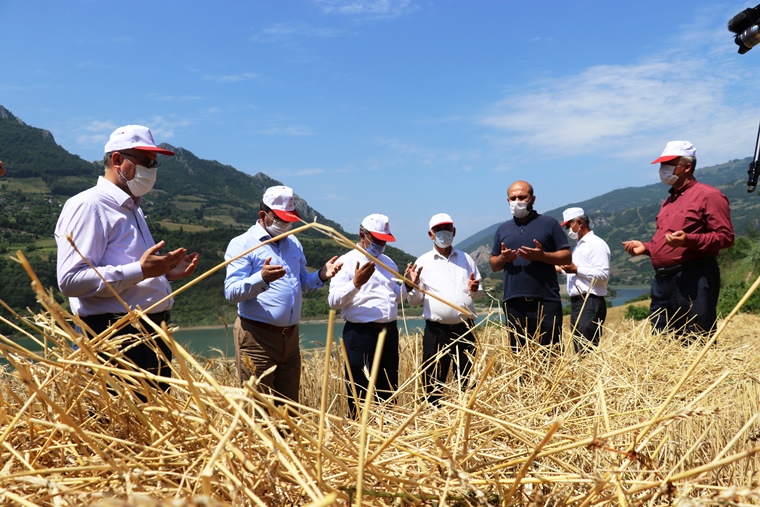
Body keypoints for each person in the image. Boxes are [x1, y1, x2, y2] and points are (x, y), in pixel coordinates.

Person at [55, 125, 199, 399]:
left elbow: (130, 274)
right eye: (146, 161)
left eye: (155, 163)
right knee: (117, 433)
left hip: (148, 336)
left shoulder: (132, 207)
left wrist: (163, 273)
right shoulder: (88, 206)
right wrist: (142, 270)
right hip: (114, 339)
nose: (152, 169)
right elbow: (71, 281)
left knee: (153, 431)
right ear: (118, 160)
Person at [224, 185, 342, 404]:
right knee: (258, 410)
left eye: (290, 219)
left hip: (290, 338)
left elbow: (302, 283)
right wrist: (261, 278)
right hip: (257, 337)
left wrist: (322, 275)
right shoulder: (242, 244)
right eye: (281, 219)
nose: (287, 224)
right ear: (264, 215)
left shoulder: (294, 243)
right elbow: (231, 292)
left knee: (289, 408)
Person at [623, 141, 734, 342]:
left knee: (696, 338)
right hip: (663, 281)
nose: (662, 169)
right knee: (662, 340)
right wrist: (647, 248)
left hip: (694, 276)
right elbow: (668, 241)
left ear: (687, 167)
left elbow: (725, 237)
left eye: (669, 164)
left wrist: (689, 240)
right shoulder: (668, 201)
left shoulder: (709, 195)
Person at [328, 213, 409, 417]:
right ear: (362, 235)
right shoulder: (346, 262)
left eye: (384, 240)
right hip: (360, 335)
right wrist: (356, 284)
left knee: (388, 393)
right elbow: (333, 301)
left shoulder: (389, 263)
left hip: (389, 334)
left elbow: (392, 299)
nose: (381, 244)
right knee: (359, 396)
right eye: (377, 240)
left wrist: (407, 285)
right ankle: (357, 438)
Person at [406, 213, 482, 405]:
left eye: (447, 229)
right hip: (436, 331)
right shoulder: (422, 262)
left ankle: (466, 416)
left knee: (467, 380)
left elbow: (477, 292)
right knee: (433, 381)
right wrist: (413, 285)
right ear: (430, 234)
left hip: (465, 329)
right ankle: (434, 415)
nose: (443, 233)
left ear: (454, 231)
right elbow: (414, 302)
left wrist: (475, 289)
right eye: (438, 230)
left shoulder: (466, 259)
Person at [489, 181, 572, 351]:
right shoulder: (502, 229)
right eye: (513, 198)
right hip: (514, 302)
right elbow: (493, 265)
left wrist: (542, 256)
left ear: (532, 199)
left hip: (546, 301)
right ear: (507, 201)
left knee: (550, 353)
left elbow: (566, 256)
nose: (517, 201)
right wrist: (503, 258)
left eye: (522, 197)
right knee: (519, 355)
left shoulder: (549, 224)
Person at [558, 207, 610, 354]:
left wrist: (575, 270)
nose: (568, 230)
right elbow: (576, 272)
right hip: (579, 302)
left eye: (569, 226)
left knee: (586, 348)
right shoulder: (579, 247)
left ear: (579, 223)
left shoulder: (595, 244)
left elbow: (602, 274)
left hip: (590, 301)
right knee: (580, 347)